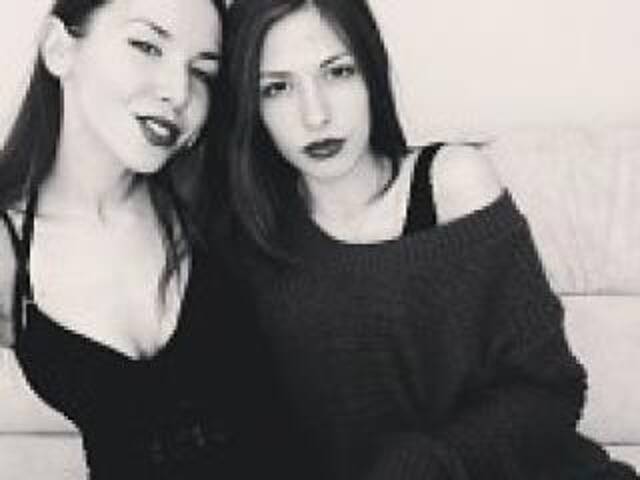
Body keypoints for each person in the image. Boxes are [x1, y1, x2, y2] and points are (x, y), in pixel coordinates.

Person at [221, 0, 639, 479]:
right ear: (251, 106)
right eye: (276, 88)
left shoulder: (450, 185)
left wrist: (426, 465)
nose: (315, 115)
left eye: (338, 72)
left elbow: (550, 390)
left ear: (371, 73)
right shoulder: (249, 238)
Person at [0, 0, 295, 478]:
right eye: (146, 46)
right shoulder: (9, 252)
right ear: (59, 49)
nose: (178, 92)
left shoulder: (222, 210)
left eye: (202, 72)